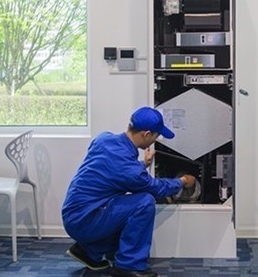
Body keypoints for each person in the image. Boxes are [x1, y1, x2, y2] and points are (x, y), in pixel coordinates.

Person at [62, 107, 197, 277]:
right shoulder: (129, 169)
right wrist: (182, 181)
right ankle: (128, 266)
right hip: (85, 221)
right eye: (156, 136)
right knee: (144, 202)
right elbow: (157, 188)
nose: (155, 140)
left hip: (74, 213)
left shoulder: (104, 139)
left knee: (124, 206)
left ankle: (89, 251)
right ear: (146, 134)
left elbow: (113, 169)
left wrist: (143, 165)